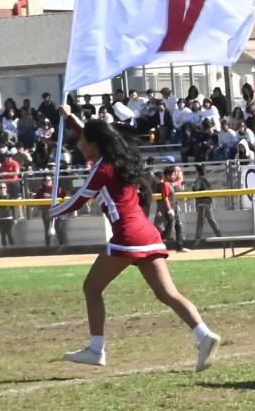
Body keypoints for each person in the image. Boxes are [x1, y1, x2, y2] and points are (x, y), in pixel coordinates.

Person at [45, 115, 221, 371]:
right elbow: (92, 132)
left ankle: (96, 349)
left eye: (82, 139)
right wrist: (70, 117)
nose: (79, 143)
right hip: (147, 233)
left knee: (91, 288)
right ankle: (204, 335)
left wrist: (54, 211)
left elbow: (80, 199)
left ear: (94, 143)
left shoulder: (102, 169)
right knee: (167, 293)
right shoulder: (115, 160)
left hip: (127, 237)